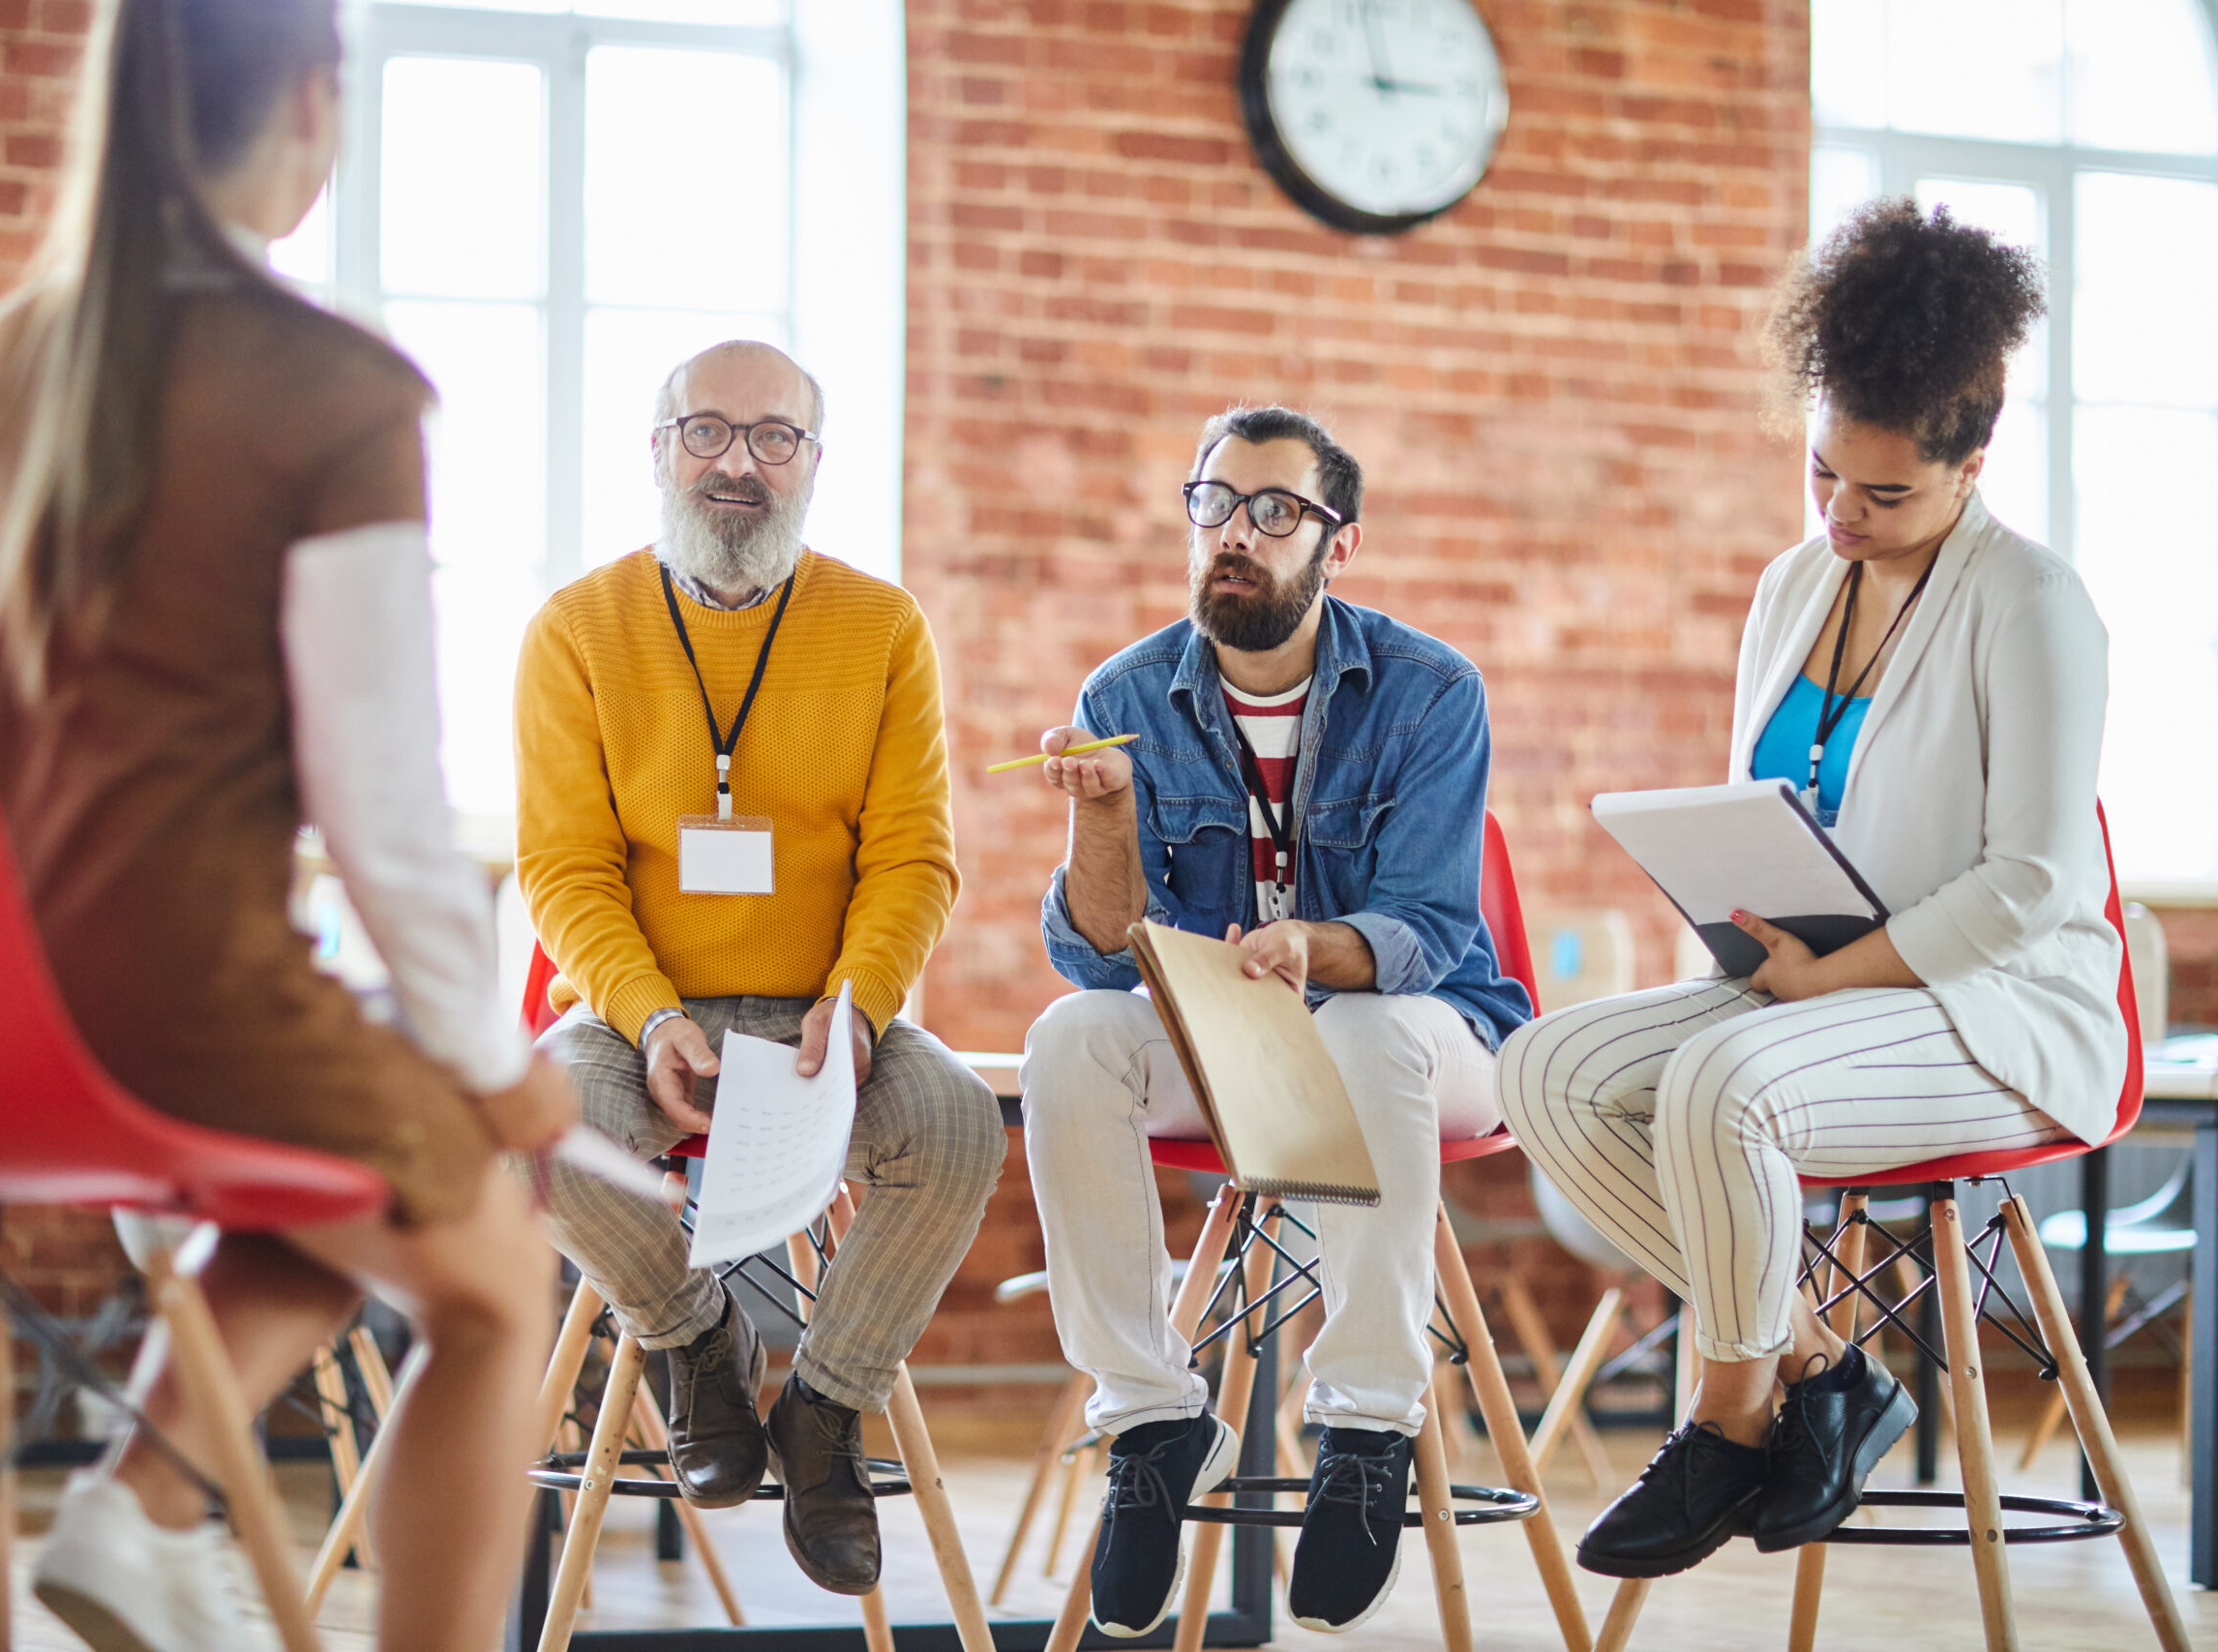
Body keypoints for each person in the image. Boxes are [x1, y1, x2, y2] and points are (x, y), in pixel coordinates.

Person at [0, 4, 576, 1649]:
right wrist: (497, 1064)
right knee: (492, 1272)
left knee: (373, 1154)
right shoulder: (332, 391)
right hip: (173, 1003)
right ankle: (143, 1503)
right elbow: (385, 810)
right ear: (315, 107)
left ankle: (143, 1495)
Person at [1497, 198, 2111, 1579]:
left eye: (1883, 493)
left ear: (1972, 459)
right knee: (1545, 1066)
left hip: (1993, 1010)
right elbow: (1779, 806)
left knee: (1729, 1083)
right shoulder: (1792, 584)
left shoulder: (2032, 604)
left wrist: (1822, 980)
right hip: (1793, 988)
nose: (1841, 514)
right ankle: (1825, 1366)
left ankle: (1728, 1415)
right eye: (1823, 475)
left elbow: (2031, 879)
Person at [1018, 405, 1534, 1637]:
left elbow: (1431, 933)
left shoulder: (1426, 692)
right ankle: (1148, 1419)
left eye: (1272, 510)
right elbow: (1099, 957)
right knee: (1067, 1041)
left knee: (1361, 1030)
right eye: (1213, 503)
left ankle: (1363, 1429)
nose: (1232, 534)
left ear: (1336, 546)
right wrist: (1099, 817)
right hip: (1231, 1045)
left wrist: (1312, 948)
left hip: (1433, 1038)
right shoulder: (1124, 693)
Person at [514, 340, 1004, 1596]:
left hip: (824, 1010)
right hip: (645, 1019)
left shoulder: (884, 627)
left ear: (814, 463)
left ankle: (825, 1408)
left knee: (953, 1122)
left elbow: (914, 861)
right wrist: (655, 1015)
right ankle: (697, 1338)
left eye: (775, 436)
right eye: (711, 431)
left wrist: (856, 1008)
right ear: (662, 448)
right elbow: (565, 869)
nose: (741, 461)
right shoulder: (575, 630)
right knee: (539, 1119)